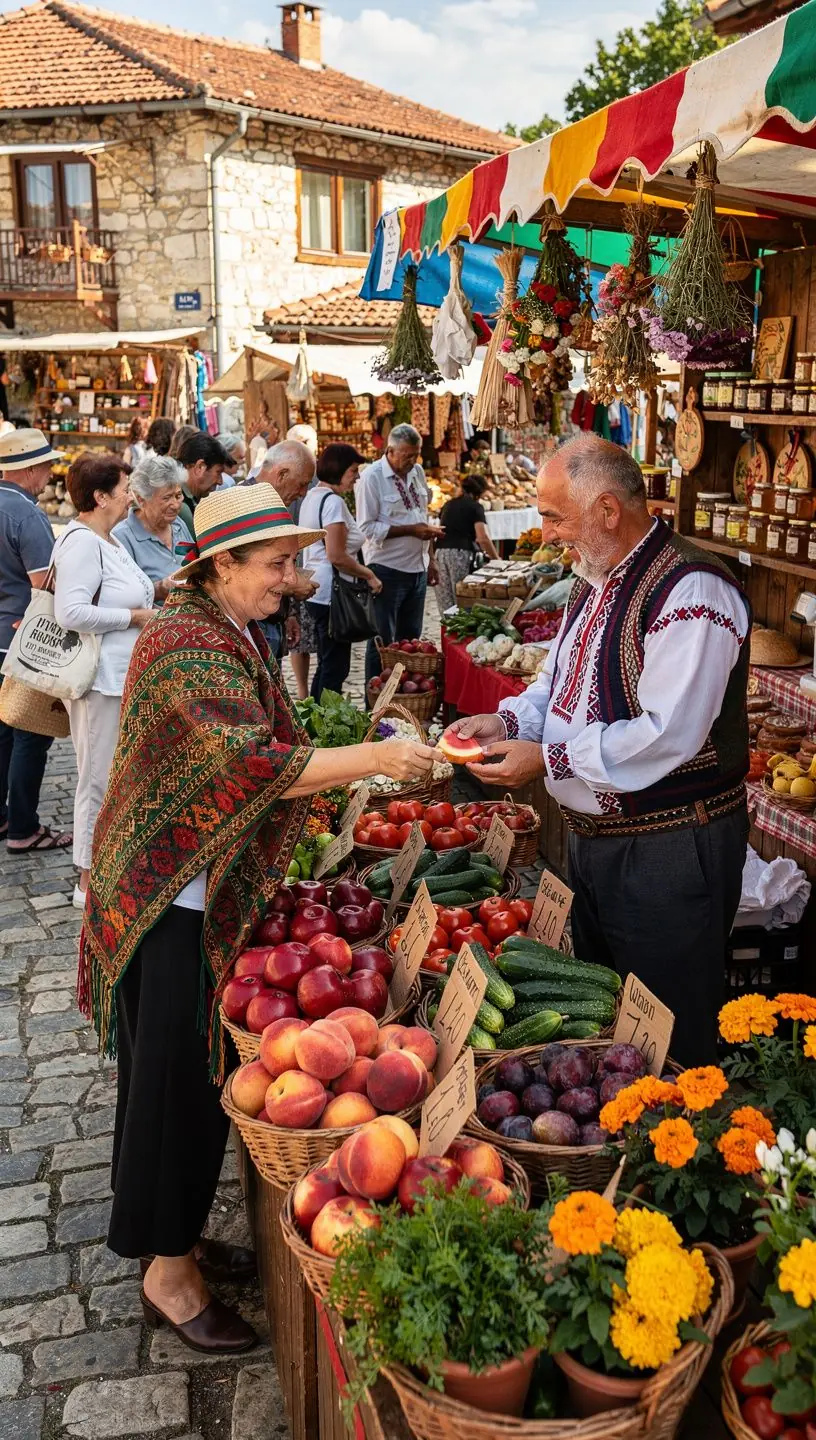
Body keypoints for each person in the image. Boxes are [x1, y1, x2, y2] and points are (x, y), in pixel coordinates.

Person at [77, 485, 436, 1354]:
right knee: (171, 1092)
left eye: (296, 558)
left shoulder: (230, 626)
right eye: (277, 562)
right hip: (167, 900)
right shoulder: (185, 642)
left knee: (184, 1089)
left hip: (191, 890)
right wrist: (381, 755)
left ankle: (177, 1235)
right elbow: (253, 763)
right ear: (221, 565)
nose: (295, 576)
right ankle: (168, 1274)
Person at [454, 433, 751, 1066]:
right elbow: (560, 683)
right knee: (610, 1013)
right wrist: (510, 720)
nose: (545, 532)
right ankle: (621, 1149)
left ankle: (682, 1147)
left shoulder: (692, 591)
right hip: (597, 841)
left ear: (608, 510)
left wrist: (548, 759)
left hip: (669, 848)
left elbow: (666, 734)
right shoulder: (596, 576)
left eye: (555, 516)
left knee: (669, 1027)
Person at [52, 454, 156, 909]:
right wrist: (134, 617)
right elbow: (70, 612)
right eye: (125, 487)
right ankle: (87, 884)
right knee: (96, 780)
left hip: (120, 677)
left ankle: (111, 866)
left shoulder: (107, 540)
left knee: (115, 777)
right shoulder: (81, 542)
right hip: (98, 681)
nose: (131, 495)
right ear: (100, 496)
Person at [0, 428, 72, 854]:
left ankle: (4, 816)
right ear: (28, 469)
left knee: (3, 732)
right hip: (22, 640)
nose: (50, 472)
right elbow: (47, 588)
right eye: (45, 464)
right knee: (29, 733)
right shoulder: (26, 515)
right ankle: (24, 827)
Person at [356, 423, 443, 684]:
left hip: (417, 569)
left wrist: (432, 560)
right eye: (407, 455)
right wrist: (411, 530)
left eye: (415, 455)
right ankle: (375, 703)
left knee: (411, 642)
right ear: (390, 450)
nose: (412, 461)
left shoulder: (417, 472)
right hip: (386, 571)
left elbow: (422, 516)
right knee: (382, 643)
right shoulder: (371, 477)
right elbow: (367, 527)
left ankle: (404, 699)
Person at [299, 443, 382, 699]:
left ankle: (314, 717)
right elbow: (336, 555)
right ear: (338, 470)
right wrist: (368, 574)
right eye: (353, 471)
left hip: (318, 591)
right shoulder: (333, 502)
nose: (357, 477)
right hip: (332, 595)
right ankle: (324, 723)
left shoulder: (312, 497)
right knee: (335, 666)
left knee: (326, 662)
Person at [248, 441, 318, 661]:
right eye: (301, 484)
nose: (304, 493)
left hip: (271, 623)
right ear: (282, 474)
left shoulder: (277, 505)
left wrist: (289, 614)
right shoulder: (243, 505)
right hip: (250, 628)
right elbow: (243, 575)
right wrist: (291, 587)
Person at [112, 455, 190, 601]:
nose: (175, 505)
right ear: (141, 499)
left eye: (178, 495)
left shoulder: (178, 524)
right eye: (166, 498)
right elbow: (120, 598)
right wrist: (159, 589)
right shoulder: (122, 537)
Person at [435, 474, 499, 613]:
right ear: (480, 492)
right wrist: (496, 559)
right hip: (461, 554)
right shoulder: (475, 507)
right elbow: (482, 537)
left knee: (446, 601)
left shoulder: (448, 504)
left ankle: (447, 630)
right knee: (464, 599)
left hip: (440, 553)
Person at [176, 434, 229, 535]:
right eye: (218, 472)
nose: (220, 481)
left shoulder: (192, 499)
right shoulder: (181, 507)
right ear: (200, 467)